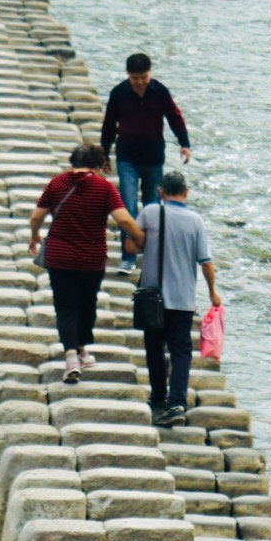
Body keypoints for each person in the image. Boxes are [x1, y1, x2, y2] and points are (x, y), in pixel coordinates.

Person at [28, 141, 141, 383]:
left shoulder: (57, 183)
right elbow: (125, 221)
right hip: (91, 258)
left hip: (59, 257)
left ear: (73, 163)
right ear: (98, 165)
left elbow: (37, 215)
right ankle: (79, 351)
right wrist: (141, 239)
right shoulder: (104, 187)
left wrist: (35, 235)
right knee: (87, 304)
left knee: (65, 306)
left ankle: (72, 355)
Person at [130, 166, 219, 425]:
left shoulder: (150, 212)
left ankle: (158, 395)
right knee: (181, 351)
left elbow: (131, 245)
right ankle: (177, 403)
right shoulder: (196, 221)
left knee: (154, 347)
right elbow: (206, 262)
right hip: (182, 298)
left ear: (161, 192)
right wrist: (213, 292)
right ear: (186, 193)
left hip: (152, 295)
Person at [101, 50, 190, 256]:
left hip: (153, 158)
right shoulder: (119, 93)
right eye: (135, 78)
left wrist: (184, 143)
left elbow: (174, 117)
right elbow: (109, 125)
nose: (140, 82)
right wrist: (105, 155)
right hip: (127, 158)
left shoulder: (160, 91)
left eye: (144, 77)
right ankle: (129, 255)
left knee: (152, 208)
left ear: (149, 73)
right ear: (127, 74)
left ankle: (150, 253)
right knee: (128, 206)